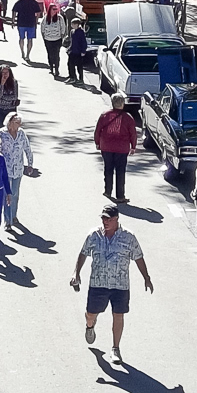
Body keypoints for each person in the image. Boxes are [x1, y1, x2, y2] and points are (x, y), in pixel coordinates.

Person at [71, 204, 152, 366]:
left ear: (116, 219)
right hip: (98, 283)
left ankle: (115, 348)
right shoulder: (94, 235)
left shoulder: (129, 237)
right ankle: (90, 325)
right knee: (90, 314)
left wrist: (146, 277)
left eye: (108, 219)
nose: (105, 221)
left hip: (120, 284)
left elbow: (138, 257)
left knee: (118, 315)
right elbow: (83, 253)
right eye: (103, 218)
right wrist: (76, 273)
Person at [94, 93, 137, 202]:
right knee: (120, 171)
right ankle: (120, 196)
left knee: (108, 169)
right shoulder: (128, 117)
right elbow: (133, 133)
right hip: (122, 148)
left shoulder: (105, 115)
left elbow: (98, 130)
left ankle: (107, 191)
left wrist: (97, 143)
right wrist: (133, 146)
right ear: (123, 103)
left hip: (106, 146)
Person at [0, 113, 34, 230]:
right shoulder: (2, 133)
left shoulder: (21, 133)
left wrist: (30, 164)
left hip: (18, 169)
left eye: (20, 123)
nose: (19, 125)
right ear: (10, 122)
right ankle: (7, 220)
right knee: (7, 194)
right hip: (5, 170)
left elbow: (27, 148)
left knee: (15, 194)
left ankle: (14, 215)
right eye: (17, 122)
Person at [12, 0, 43, 64]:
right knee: (30, 39)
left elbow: (14, 11)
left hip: (21, 23)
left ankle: (22, 52)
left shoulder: (19, 1)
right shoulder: (34, 2)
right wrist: (36, 21)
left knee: (21, 38)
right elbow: (38, 13)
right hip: (31, 23)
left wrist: (13, 21)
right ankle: (28, 55)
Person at [39, 4, 67, 77]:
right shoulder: (45, 18)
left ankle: (56, 69)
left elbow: (63, 27)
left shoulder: (60, 18)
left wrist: (62, 36)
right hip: (48, 39)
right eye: (53, 9)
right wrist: (44, 37)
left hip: (57, 39)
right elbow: (42, 28)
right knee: (50, 54)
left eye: (56, 9)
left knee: (56, 54)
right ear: (50, 10)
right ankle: (51, 67)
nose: (55, 11)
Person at [0, 64, 20, 129]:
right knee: (2, 129)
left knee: (10, 128)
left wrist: (4, 98)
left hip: (10, 109)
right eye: (3, 73)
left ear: (9, 73)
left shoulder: (14, 82)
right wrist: (2, 84)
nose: (5, 74)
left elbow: (15, 97)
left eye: (6, 72)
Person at [67, 18, 90, 84]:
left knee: (79, 66)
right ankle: (72, 77)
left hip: (78, 52)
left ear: (77, 24)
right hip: (72, 51)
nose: (72, 25)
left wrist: (83, 51)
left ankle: (81, 79)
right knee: (70, 64)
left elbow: (83, 42)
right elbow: (71, 42)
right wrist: (69, 49)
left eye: (73, 24)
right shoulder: (72, 31)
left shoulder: (81, 32)